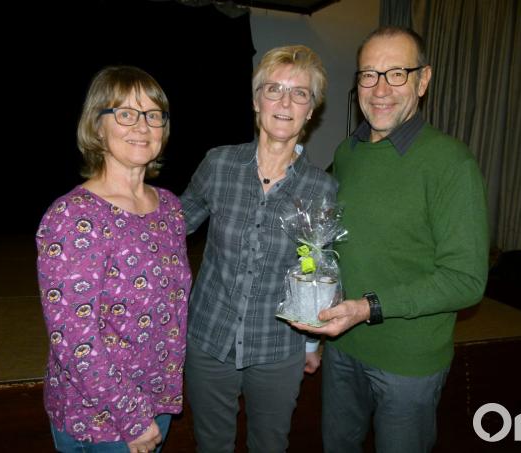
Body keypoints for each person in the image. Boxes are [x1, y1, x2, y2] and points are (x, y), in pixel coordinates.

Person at [291, 27, 489, 453]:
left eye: (396, 73)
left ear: (423, 80)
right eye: (368, 74)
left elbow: (466, 280)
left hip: (408, 365)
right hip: (342, 347)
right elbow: (325, 242)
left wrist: (368, 308)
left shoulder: (450, 163)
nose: (380, 89)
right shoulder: (348, 153)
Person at [179, 45, 337, 453]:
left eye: (300, 93)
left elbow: (317, 270)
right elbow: (173, 227)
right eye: (274, 89)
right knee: (211, 444)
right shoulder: (218, 164)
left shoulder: (322, 187)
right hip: (209, 338)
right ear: (255, 100)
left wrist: (311, 343)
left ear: (311, 109)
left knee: (270, 444)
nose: (285, 102)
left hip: (277, 348)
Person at [35, 66, 191, 453]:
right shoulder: (74, 217)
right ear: (97, 127)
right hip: (101, 420)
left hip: (156, 403)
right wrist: (132, 418)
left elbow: (170, 312)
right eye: (125, 113)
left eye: (153, 115)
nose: (142, 126)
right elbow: (73, 338)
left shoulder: (170, 208)